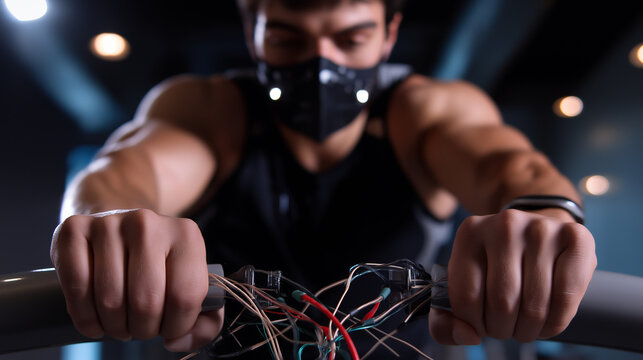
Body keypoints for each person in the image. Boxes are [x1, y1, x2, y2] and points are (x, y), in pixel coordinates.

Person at [50, 0, 597, 357]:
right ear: (252, 31)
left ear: (389, 35)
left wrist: (542, 217)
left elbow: (508, 168)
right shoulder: (210, 111)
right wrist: (109, 220)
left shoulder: (421, 113)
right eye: (288, 41)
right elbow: (123, 173)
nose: (321, 65)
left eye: (352, 40)